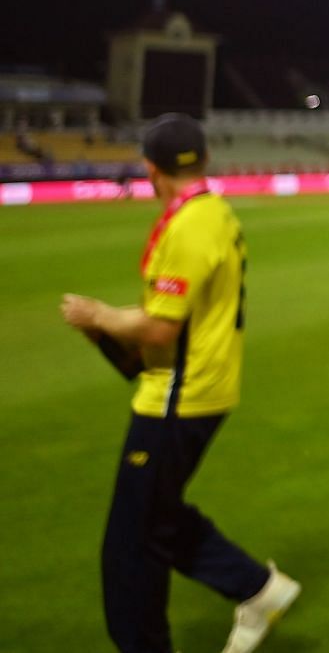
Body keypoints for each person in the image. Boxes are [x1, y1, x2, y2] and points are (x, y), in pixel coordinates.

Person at [58, 113, 300, 653]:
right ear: (205, 160)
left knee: (130, 546)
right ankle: (258, 589)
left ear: (150, 169)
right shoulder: (215, 213)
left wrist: (97, 316)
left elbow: (161, 325)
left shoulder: (188, 226)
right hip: (202, 387)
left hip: (178, 398)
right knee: (156, 517)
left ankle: (228, 603)